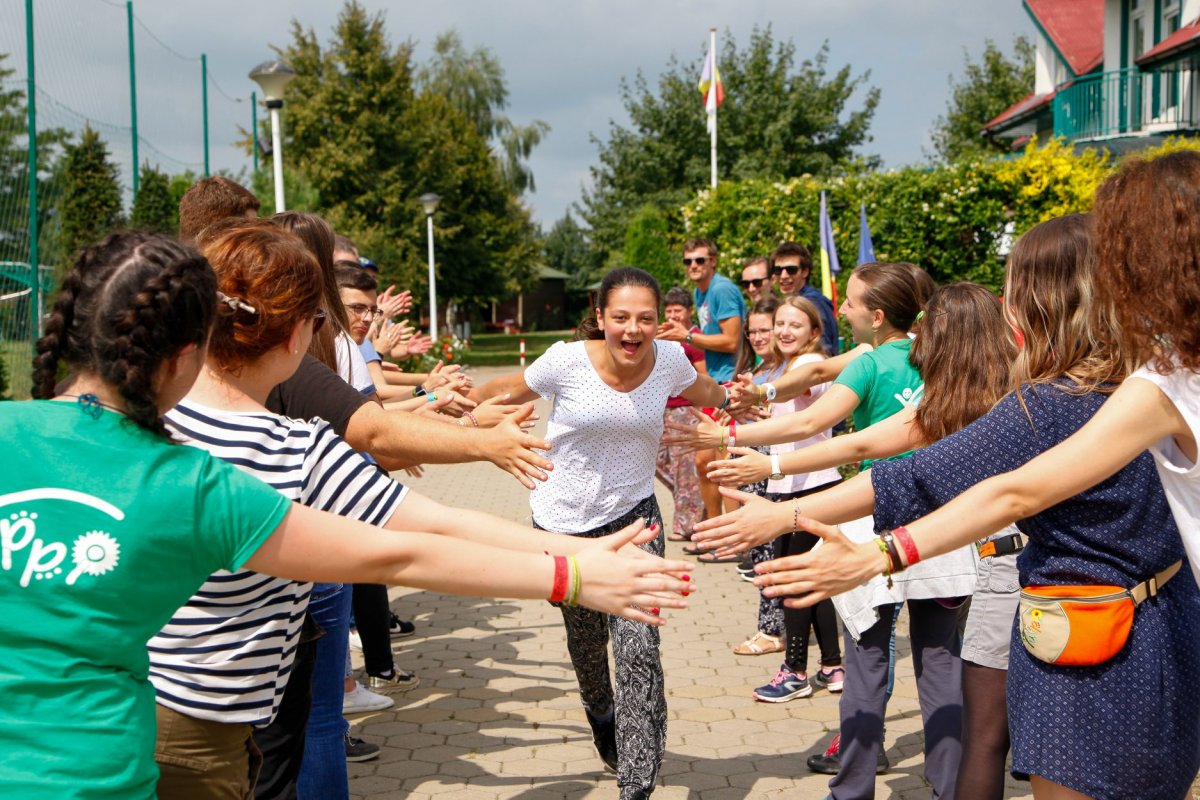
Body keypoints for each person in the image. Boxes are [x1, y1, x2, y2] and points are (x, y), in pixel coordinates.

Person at [1, 232, 695, 799]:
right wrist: (572, 569)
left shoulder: (44, 432)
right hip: (158, 749)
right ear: (298, 335)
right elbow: (412, 542)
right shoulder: (215, 473)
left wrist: (572, 556)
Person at [754, 213, 1200, 800]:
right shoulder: (1162, 381)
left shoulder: (1050, 402)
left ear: (1038, 303)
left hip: (1085, 646)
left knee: (993, 738)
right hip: (1171, 622)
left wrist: (821, 528)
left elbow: (947, 481)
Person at [703, 282, 1018, 796]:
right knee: (943, 667)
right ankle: (946, 786)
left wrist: (768, 475)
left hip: (889, 532)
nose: (843, 310)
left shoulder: (928, 393)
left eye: (850, 301)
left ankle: (852, 788)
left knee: (867, 661)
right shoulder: (1005, 397)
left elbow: (861, 447)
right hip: (956, 549)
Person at [470, 267, 729, 800]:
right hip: (564, 527)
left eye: (645, 319)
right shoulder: (566, 360)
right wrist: (461, 417)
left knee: (639, 649)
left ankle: (636, 781)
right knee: (588, 647)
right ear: (600, 317)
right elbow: (505, 390)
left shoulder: (669, 360)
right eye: (621, 318)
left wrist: (737, 399)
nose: (633, 330)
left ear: (658, 322)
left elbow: (705, 389)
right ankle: (600, 711)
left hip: (635, 520)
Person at [747, 296, 844, 703]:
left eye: (795, 325)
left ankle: (795, 672)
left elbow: (808, 385)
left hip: (810, 486)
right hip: (794, 485)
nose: (784, 331)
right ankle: (833, 666)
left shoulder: (810, 364)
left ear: (815, 333)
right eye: (780, 324)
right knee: (812, 579)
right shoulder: (785, 367)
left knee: (791, 579)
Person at [657, 238, 746, 527]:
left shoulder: (721, 289)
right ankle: (714, 529)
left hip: (731, 381)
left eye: (700, 260)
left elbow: (731, 341)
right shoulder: (700, 291)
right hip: (716, 384)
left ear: (713, 261)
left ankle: (734, 535)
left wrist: (686, 336)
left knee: (723, 465)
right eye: (688, 261)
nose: (693, 266)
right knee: (704, 463)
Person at [655, 287, 707, 543]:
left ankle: (687, 525)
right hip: (659, 408)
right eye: (669, 311)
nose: (673, 315)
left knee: (683, 468)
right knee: (658, 462)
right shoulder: (661, 336)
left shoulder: (695, 339)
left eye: (678, 310)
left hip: (685, 410)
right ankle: (697, 505)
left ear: (689, 312)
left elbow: (704, 376)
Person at [769, 242, 839, 356]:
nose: (783, 276)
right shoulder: (794, 302)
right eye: (778, 270)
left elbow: (823, 350)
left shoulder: (813, 303)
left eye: (791, 270)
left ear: (805, 272)